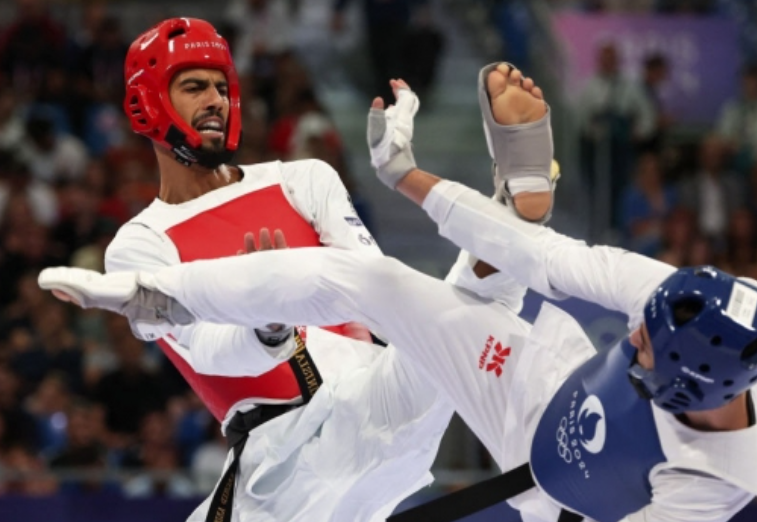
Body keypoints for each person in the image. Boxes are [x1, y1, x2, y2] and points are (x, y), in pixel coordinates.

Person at [41, 65, 757, 522]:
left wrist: (276, 320)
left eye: (217, 84)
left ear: (686, 385)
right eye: (192, 84)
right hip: (298, 437)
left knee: (386, 293)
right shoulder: (685, 296)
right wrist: (403, 173)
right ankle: (157, 294)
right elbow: (552, 260)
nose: (629, 331)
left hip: (415, 418)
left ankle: (508, 201)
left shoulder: (720, 480)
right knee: (412, 289)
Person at [96, 17, 525, 522]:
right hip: (282, 458)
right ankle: (513, 215)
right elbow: (208, 351)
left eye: (221, 86)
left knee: (447, 322)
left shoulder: (303, 179)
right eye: (194, 86)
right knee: (454, 323)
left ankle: (517, 196)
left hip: (371, 397)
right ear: (147, 105)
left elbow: (380, 290)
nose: (216, 99)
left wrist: (403, 176)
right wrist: (268, 321)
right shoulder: (140, 244)